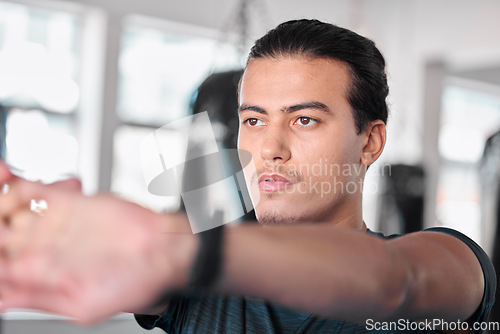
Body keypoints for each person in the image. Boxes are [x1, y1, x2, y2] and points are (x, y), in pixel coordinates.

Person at [0, 19, 495, 333]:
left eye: (305, 120)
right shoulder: (189, 283)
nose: (270, 150)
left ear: (370, 141)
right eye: (253, 121)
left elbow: (396, 283)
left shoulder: (451, 259)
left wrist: (176, 250)